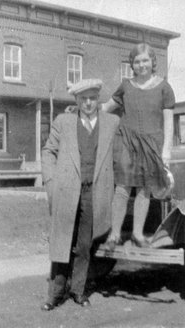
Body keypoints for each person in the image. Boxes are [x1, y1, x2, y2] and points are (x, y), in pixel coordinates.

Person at [41, 79, 119, 311]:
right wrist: (51, 182)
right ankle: (55, 294)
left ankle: (78, 291)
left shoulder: (112, 123)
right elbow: (48, 152)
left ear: (98, 99)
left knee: (84, 245)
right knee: (62, 242)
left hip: (93, 193)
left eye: (92, 98)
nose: (88, 103)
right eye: (83, 99)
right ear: (76, 100)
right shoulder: (64, 121)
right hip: (66, 191)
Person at [102, 43, 175, 249]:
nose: (141, 65)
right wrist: (85, 109)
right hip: (127, 142)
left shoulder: (164, 88)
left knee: (145, 189)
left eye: (145, 60)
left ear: (153, 62)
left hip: (152, 144)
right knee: (122, 188)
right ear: (132, 64)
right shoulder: (126, 86)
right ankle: (114, 235)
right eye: (137, 61)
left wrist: (166, 151)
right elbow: (107, 108)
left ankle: (137, 234)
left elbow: (169, 122)